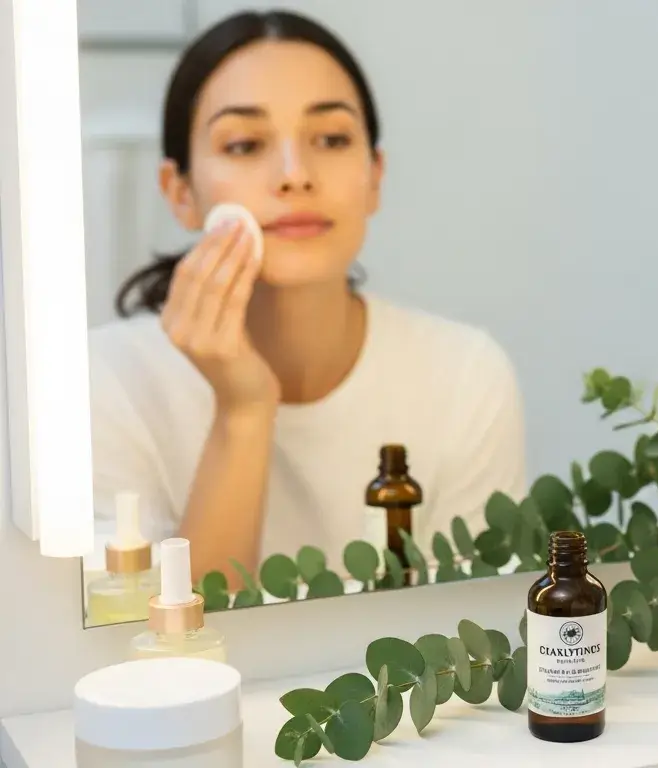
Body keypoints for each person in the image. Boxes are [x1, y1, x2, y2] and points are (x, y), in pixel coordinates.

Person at [88, 10, 526, 584]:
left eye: (331, 139)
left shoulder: (465, 377)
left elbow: (473, 631)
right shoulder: (106, 384)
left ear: (375, 176)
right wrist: (243, 411)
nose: (295, 175)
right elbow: (168, 661)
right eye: (245, 144)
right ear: (180, 192)